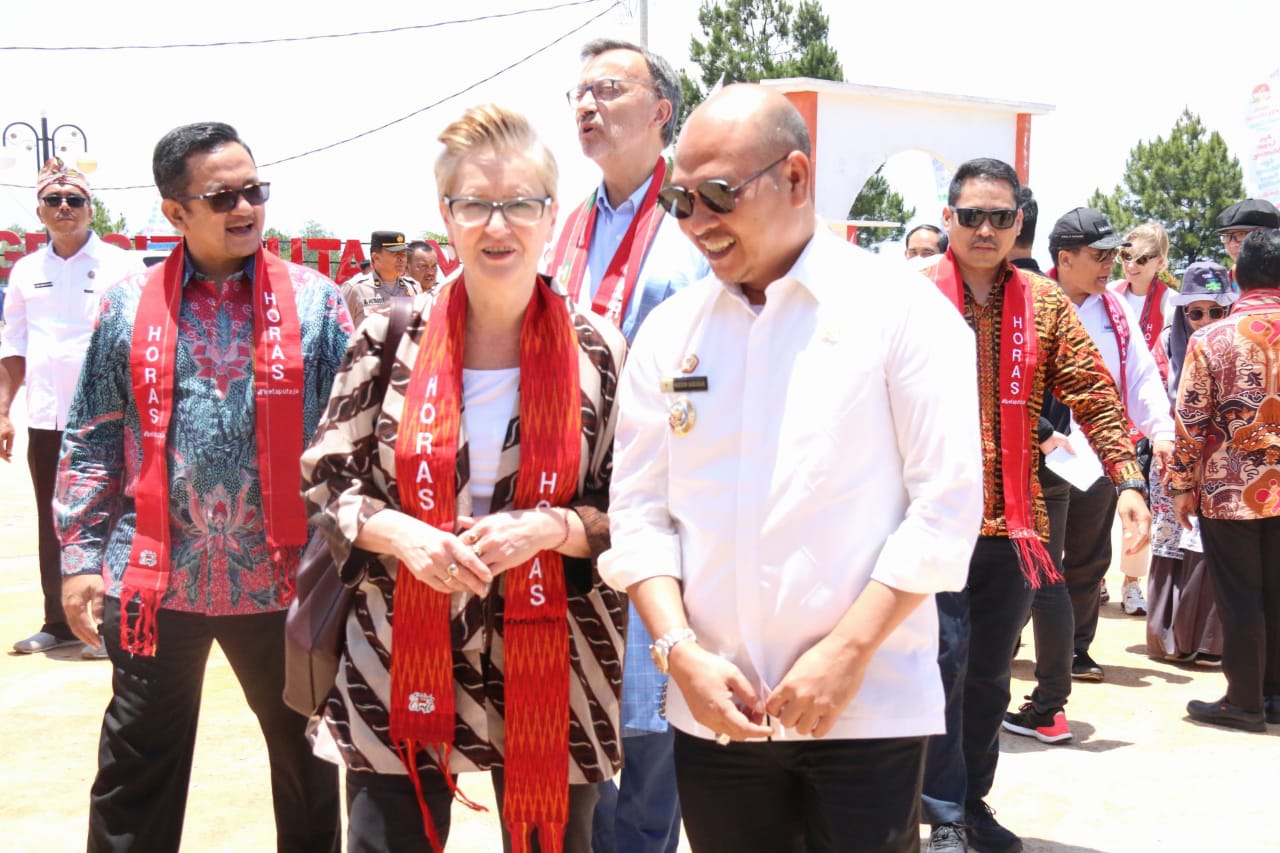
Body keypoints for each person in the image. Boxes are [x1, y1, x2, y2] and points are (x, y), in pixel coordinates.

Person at [601, 83, 984, 853]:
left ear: (797, 178)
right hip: (716, 713)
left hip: (865, 706)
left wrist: (845, 654)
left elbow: (945, 508)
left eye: (718, 195)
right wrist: (681, 654)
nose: (698, 224)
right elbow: (640, 513)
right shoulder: (671, 333)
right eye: (681, 202)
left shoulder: (899, 312)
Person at [300, 103, 629, 852]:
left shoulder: (600, 349)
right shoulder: (388, 336)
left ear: (551, 215)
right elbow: (328, 478)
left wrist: (553, 526)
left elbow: (637, 502)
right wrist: (404, 536)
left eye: (519, 204)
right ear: (446, 215)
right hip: (395, 640)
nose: (498, 226)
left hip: (558, 652)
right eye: (476, 204)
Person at [53, 122, 348, 852]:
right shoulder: (126, 306)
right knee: (134, 771)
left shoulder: (318, 304)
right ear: (175, 212)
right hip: (155, 583)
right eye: (224, 196)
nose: (246, 207)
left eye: (255, 190)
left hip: (283, 581)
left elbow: (356, 435)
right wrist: (81, 558)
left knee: (308, 768)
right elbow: (91, 435)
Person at [918, 161, 1149, 853]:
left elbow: (1095, 390)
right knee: (939, 665)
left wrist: (1128, 477)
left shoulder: (1045, 303)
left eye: (999, 217)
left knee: (987, 673)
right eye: (970, 216)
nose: (984, 229)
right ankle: (940, 812)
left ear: (1020, 221)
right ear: (949, 217)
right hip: (925, 522)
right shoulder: (909, 294)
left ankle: (970, 802)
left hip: (1013, 527)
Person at [552, 37, 708, 853]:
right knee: (574, 717)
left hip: (663, 505)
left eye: (608, 89)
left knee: (649, 730)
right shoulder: (561, 227)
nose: (587, 105)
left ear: (661, 111)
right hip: (569, 512)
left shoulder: (697, 223)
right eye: (577, 93)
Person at [0, 158, 143, 658]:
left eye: (75, 200)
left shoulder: (122, 266)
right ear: (39, 210)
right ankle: (57, 622)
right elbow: (13, 346)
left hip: (110, 418)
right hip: (46, 417)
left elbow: (144, 339)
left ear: (89, 207)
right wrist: (3, 410)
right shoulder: (24, 271)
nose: (64, 208)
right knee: (52, 516)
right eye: (54, 201)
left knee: (109, 515)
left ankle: (107, 625)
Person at [1043, 208, 1173, 685]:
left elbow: (1140, 375)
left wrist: (1160, 431)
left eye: (1112, 256)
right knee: (1028, 557)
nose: (1109, 266)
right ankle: (1010, 637)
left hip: (1097, 455)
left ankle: (1075, 649)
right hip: (1034, 454)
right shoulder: (1030, 300)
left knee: (1088, 557)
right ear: (1064, 257)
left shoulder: (1114, 310)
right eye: (1098, 256)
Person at [1171, 228, 1280, 733]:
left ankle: (1244, 700)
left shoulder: (1210, 338)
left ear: (1235, 276)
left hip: (1229, 487)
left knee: (1240, 596)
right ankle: (1275, 694)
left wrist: (1179, 484)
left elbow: (1191, 420)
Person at [1146, 262, 1234, 665]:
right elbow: (1149, 397)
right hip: (1172, 456)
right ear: (1181, 312)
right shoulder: (1165, 343)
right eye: (1195, 312)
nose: (1204, 321)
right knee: (1172, 541)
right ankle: (1171, 636)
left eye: (1215, 312)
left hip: (1221, 461)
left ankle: (1210, 640)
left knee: (1210, 545)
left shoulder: (1236, 341)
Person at [1106, 221, 1178, 616]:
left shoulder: (1172, 303)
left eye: (1142, 258)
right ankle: (1096, 577)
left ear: (1160, 261)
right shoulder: (1109, 295)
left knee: (1141, 500)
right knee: (1097, 499)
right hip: (1104, 411)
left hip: (1149, 416)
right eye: (1125, 256)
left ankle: (1132, 582)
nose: (1131, 265)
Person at [342, 229, 418, 327]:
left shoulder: (413, 287)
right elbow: (340, 333)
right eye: (395, 254)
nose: (401, 259)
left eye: (403, 254)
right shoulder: (355, 289)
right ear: (376, 257)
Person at [1214, 198, 1280, 276]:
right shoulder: (1224, 284)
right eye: (1227, 237)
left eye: (1241, 234)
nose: (1232, 244)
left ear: (1272, 235)